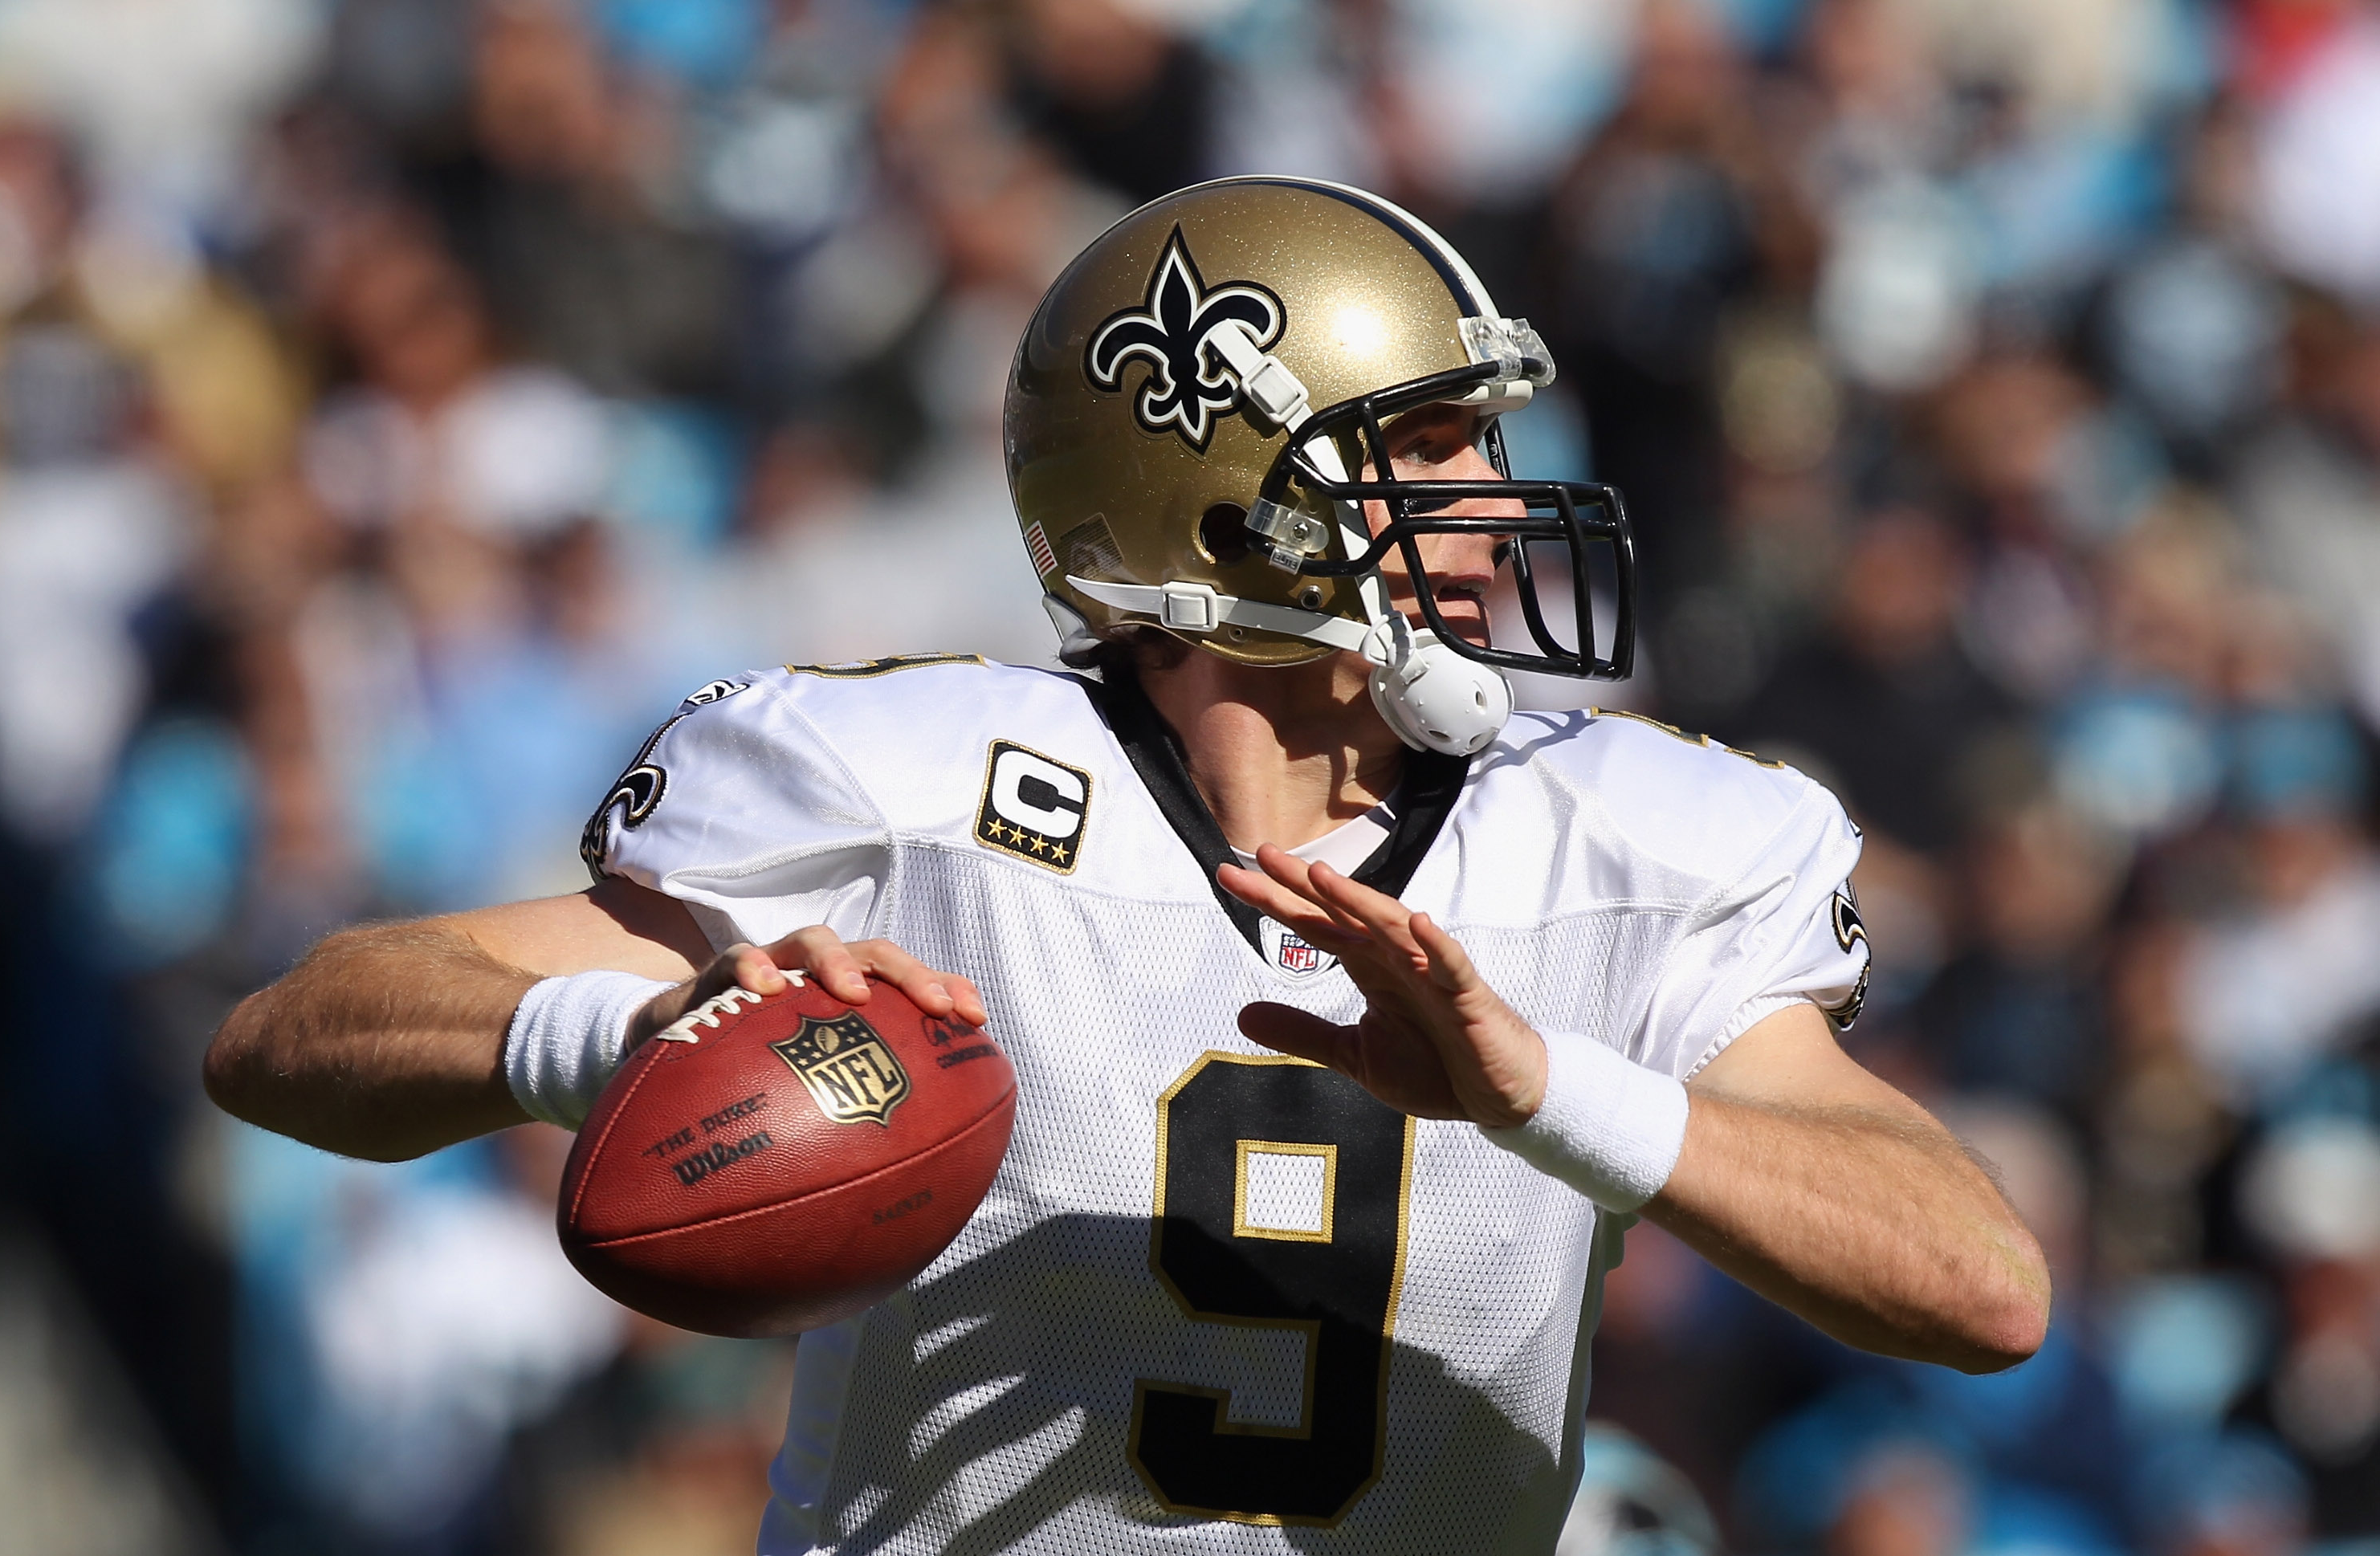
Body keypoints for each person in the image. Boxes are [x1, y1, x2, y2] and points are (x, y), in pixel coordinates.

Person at [206, 177, 2048, 1554]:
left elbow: (1981, 1291)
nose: (1489, 498)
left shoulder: (1635, 840)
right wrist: (633, 1028)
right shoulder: (909, 789)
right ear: (1217, 489)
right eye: (1422, 445)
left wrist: (1551, 1092)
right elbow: (289, 1042)